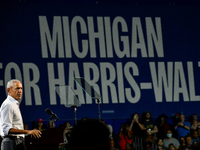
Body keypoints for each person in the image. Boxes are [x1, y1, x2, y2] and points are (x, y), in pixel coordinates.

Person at [0, 79, 42, 150]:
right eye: (17, 88)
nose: (20, 91)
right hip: (11, 142)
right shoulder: (8, 104)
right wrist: (28, 131)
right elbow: (6, 129)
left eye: (21, 88)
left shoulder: (14, 104)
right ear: (9, 90)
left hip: (17, 142)